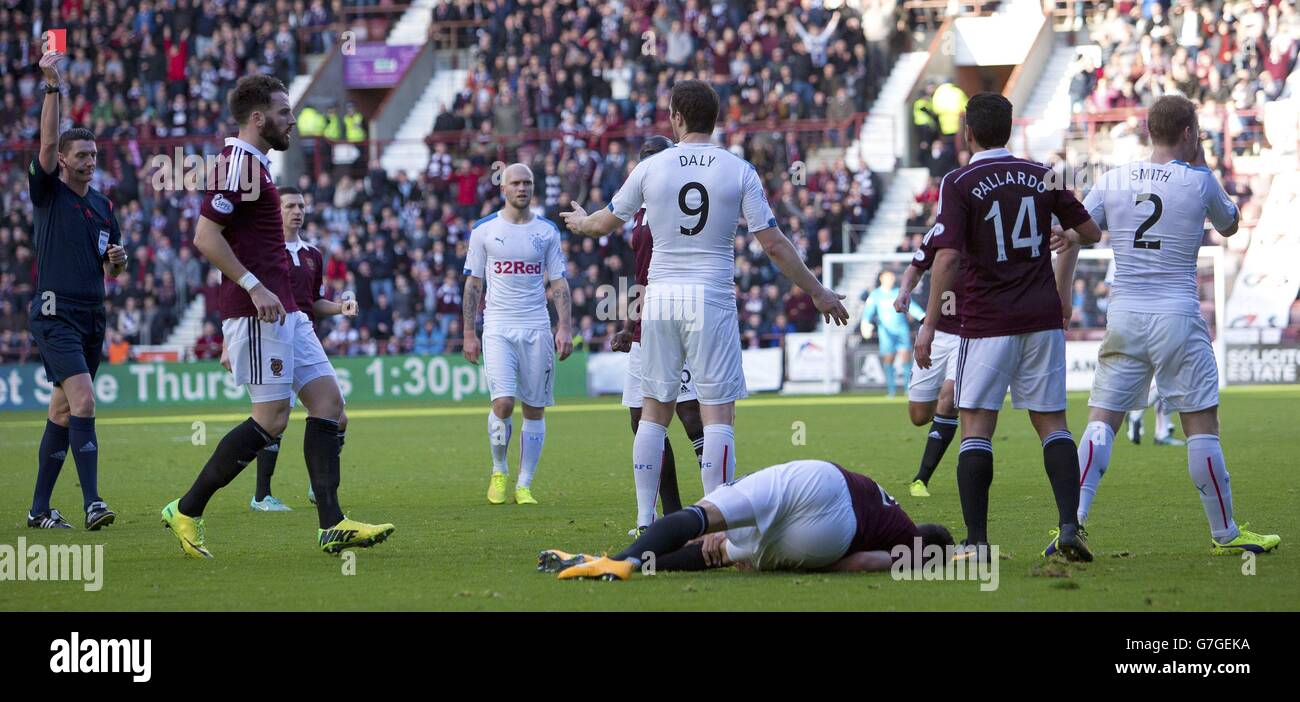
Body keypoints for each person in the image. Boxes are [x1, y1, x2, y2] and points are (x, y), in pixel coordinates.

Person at [562, 80, 850, 509]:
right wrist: (818, 291)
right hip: (710, 298)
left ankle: (646, 522)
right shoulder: (738, 169)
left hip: (659, 299)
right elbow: (773, 244)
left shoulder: (650, 167)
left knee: (653, 414)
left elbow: (603, 224)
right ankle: (715, 519)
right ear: (715, 119)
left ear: (676, 117)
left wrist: (582, 221)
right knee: (718, 414)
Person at [161, 75, 394, 557]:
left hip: (286, 312)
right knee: (270, 420)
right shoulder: (238, 165)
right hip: (256, 312)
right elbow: (206, 237)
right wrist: (252, 285)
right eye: (286, 112)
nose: (293, 119)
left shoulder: (259, 166)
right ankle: (187, 508)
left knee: (328, 403)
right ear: (258, 118)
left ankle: (332, 524)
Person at [1055, 94, 1279, 554]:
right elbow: (1232, 224)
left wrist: (1061, 299)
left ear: (1149, 131)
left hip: (1125, 314)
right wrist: (1200, 165)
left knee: (1102, 421)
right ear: (1188, 132)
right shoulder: (1199, 181)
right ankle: (1226, 535)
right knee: (1202, 425)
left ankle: (1071, 525)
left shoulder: (1113, 179)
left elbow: (1074, 233)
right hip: (1177, 314)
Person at [915, 92, 1103, 561]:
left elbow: (950, 255)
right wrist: (1067, 235)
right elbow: (1093, 232)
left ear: (968, 132)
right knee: (1054, 425)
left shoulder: (958, 182)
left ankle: (977, 544)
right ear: (1011, 127)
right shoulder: (1044, 174)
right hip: (1041, 317)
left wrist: (930, 323)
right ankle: (1068, 528)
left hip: (986, 321)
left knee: (976, 427)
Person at [540, 459, 954, 579]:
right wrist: (819, 560)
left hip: (821, 480)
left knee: (705, 521)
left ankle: (620, 560)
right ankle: (609, 563)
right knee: (719, 554)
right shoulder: (904, 550)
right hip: (830, 538)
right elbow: (862, 563)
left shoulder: (895, 514)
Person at [26, 49, 126, 531]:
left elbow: (114, 263)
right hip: (54, 313)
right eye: (79, 155)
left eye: (92, 155)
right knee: (84, 400)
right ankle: (93, 503)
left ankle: (38, 510)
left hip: (92, 315)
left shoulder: (106, 207)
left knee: (63, 410)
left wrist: (117, 262)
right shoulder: (49, 192)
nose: (88, 161)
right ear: (62, 161)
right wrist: (52, 86)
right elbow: (45, 142)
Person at [229, 185, 360, 512]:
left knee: (337, 414)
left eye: (301, 206)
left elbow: (312, 302)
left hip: (303, 341)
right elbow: (244, 297)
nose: (297, 211)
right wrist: (225, 345)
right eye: (289, 206)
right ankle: (262, 495)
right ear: (277, 211)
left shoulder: (312, 255)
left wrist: (340, 307)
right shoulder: (264, 253)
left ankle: (321, 484)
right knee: (273, 421)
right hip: (270, 339)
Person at [599, 135, 706, 535]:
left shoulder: (679, 205)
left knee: (692, 414)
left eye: (655, 157)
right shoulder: (640, 213)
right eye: (643, 158)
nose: (648, 164)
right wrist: (628, 325)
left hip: (679, 319)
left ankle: (721, 504)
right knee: (639, 418)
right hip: (647, 325)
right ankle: (672, 513)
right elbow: (641, 275)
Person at [462, 163, 573, 505]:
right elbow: (473, 284)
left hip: (537, 327)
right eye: (516, 183)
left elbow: (558, 282)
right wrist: (469, 332)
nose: (522, 188)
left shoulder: (547, 232)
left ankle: (524, 484)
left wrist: (565, 326)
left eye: (528, 182)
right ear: (504, 188)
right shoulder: (483, 230)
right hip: (497, 327)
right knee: (504, 402)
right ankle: (499, 470)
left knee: (535, 408)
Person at [894, 234, 961, 498]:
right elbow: (916, 266)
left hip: (973, 331)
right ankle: (949, 418)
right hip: (937, 332)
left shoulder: (985, 224)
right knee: (919, 416)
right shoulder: (941, 231)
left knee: (949, 397)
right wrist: (904, 290)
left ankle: (921, 479)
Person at [860, 269, 923, 398]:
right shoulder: (875, 295)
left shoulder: (899, 292)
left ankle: (908, 389)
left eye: (892, 277)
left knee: (906, 358)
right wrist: (865, 323)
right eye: (888, 277)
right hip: (886, 332)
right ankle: (891, 391)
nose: (891, 280)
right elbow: (868, 312)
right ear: (882, 278)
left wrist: (924, 316)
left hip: (901, 330)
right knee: (889, 360)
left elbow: (913, 308)